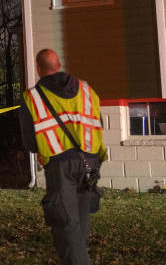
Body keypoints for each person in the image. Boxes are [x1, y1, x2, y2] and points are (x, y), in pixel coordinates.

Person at [19, 48, 108, 265]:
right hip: (91, 163)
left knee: (66, 223)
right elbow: (99, 125)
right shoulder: (87, 90)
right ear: (59, 65)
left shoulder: (31, 97)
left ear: (39, 69)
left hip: (60, 166)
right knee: (80, 219)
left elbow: (30, 143)